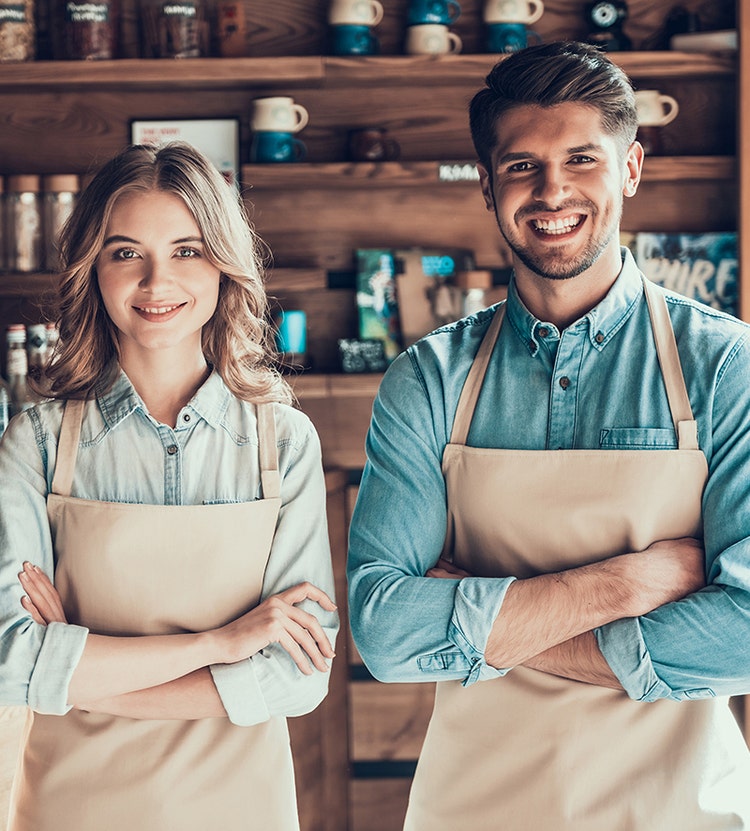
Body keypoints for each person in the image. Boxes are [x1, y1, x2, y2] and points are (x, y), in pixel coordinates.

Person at [347, 41, 750, 830]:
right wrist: (620, 586)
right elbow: (386, 632)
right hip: (472, 811)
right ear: (489, 184)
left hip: (676, 813)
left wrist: (493, 628)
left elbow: (743, 633)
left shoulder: (723, 366)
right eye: (522, 165)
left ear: (630, 168)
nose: (552, 190)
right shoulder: (426, 380)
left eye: (581, 158)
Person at [0, 142, 338, 831]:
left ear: (224, 263)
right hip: (74, 809)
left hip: (242, 809)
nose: (157, 282)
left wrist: (78, 668)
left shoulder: (285, 443)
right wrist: (223, 642)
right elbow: (11, 661)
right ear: (94, 268)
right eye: (126, 253)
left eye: (187, 250)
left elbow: (299, 676)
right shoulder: (35, 442)